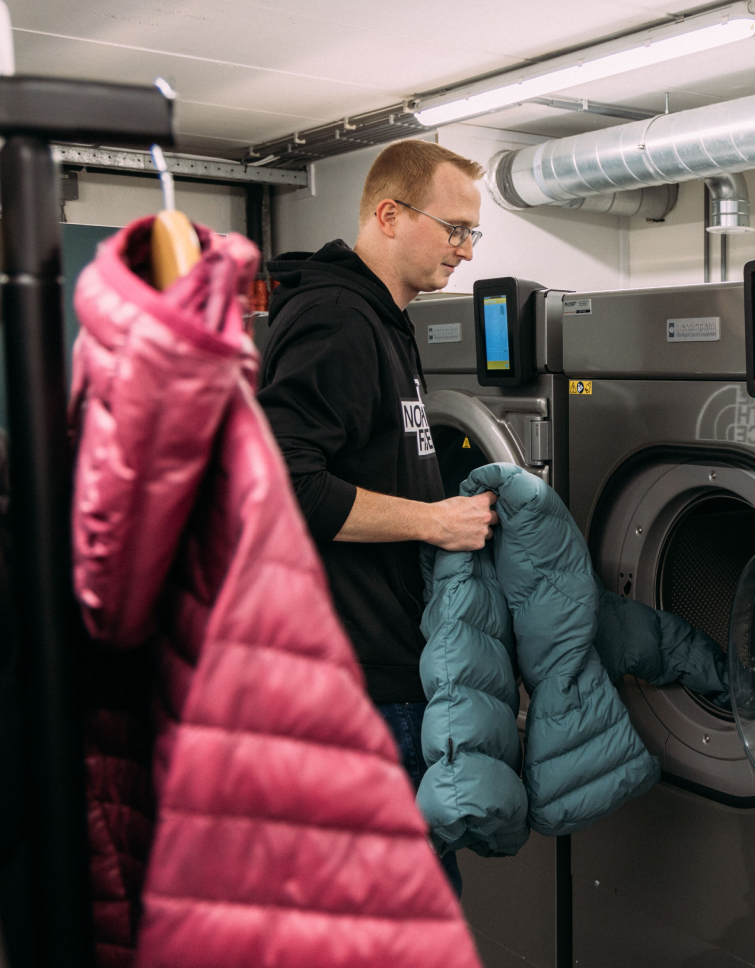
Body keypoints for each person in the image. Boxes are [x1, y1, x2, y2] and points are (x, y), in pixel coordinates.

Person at [258, 139, 495, 895]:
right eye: (453, 228)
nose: (464, 249)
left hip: (390, 675)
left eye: (471, 233)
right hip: (358, 689)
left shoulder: (386, 320)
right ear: (389, 215)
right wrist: (435, 524)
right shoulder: (339, 319)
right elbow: (282, 483)